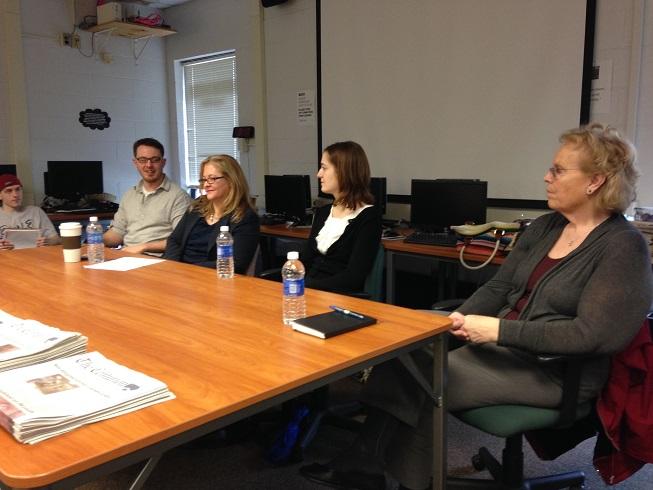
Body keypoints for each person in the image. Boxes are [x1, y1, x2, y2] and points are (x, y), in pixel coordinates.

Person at [300, 123, 653, 490]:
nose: (546, 177)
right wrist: (461, 317)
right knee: (401, 351)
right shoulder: (546, 227)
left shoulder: (622, 247)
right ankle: (370, 466)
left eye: (558, 170)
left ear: (595, 181)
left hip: (556, 371)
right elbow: (500, 286)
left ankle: (382, 472)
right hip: (500, 349)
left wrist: (498, 330)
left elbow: (594, 336)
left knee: (424, 380)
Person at [301, 141, 382, 294]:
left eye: (324, 168)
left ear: (343, 172)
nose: (319, 174)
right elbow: (305, 260)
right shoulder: (323, 212)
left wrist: (307, 287)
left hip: (338, 299)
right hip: (308, 292)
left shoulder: (368, 217)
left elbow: (353, 277)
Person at [163, 155, 260, 272]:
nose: (206, 185)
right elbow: (174, 240)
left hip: (211, 279)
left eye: (212, 179)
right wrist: (171, 267)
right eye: (204, 179)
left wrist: (189, 270)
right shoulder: (198, 206)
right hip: (180, 274)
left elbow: (236, 263)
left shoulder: (245, 216)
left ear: (231, 180)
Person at [103, 138, 191, 254]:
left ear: (163, 162)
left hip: (158, 260)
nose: (149, 165)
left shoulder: (178, 197)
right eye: (143, 160)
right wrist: (92, 239)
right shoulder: (129, 195)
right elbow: (117, 234)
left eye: (154, 160)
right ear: (136, 163)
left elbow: (180, 240)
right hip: (126, 257)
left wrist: (144, 247)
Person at [0, 174, 60, 249]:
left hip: (35, 257)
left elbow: (56, 239)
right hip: (7, 259)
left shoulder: (36, 211)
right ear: (0, 195)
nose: (15, 194)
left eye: (18, 189)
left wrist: (48, 241)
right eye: (9, 191)